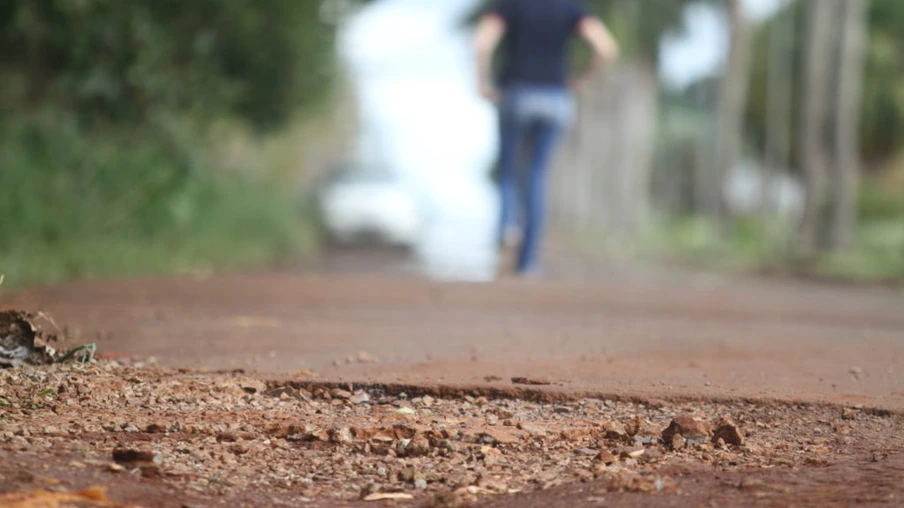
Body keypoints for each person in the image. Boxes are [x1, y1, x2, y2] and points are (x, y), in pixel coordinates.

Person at [474, 0, 619, 277]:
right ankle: (527, 263)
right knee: (537, 173)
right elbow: (606, 48)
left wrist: (482, 82)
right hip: (555, 97)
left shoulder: (509, 5)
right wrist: (582, 79)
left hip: (515, 93)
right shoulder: (570, 7)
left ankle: (507, 224)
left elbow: (482, 43)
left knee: (507, 169)